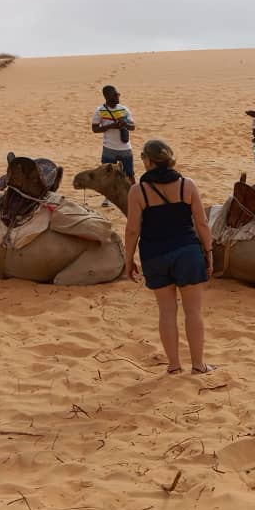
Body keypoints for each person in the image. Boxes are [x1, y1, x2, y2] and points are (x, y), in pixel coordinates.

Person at [124, 139, 215, 374]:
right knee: (193, 311)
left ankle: (174, 366)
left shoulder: (138, 191)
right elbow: (202, 223)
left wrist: (128, 259)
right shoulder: (187, 185)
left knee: (166, 311)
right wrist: (209, 251)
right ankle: (198, 364)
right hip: (187, 251)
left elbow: (133, 229)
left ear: (149, 161)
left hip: (155, 254)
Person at [91, 85, 136, 206]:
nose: (118, 96)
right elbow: (95, 129)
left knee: (130, 174)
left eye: (118, 94)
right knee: (107, 174)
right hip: (109, 148)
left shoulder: (124, 109)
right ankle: (108, 198)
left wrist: (124, 124)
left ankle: (135, 196)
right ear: (107, 96)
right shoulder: (100, 111)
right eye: (115, 95)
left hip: (125, 148)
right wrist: (111, 126)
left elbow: (133, 127)